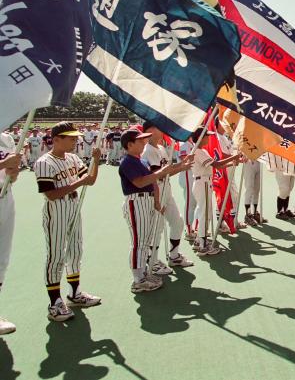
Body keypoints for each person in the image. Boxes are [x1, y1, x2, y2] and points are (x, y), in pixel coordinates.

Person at [34, 122, 102, 322]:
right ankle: (54, 302)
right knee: (56, 255)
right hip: (56, 211)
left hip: (73, 208)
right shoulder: (43, 162)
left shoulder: (72, 158)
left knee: (75, 251)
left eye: (75, 137)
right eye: (70, 137)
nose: (75, 140)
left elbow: (90, 180)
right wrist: (80, 182)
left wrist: (96, 161)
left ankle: (74, 293)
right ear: (56, 139)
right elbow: (51, 194)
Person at [118, 128, 193, 293]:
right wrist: (162, 172)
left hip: (148, 200)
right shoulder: (127, 161)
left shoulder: (140, 161)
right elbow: (139, 182)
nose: (143, 142)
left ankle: (144, 274)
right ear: (130, 145)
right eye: (139, 140)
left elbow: (152, 182)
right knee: (139, 242)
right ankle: (138, 279)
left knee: (144, 240)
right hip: (136, 201)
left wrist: (157, 200)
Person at [140, 122, 194, 275]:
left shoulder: (161, 148)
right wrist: (180, 167)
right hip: (155, 192)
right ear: (150, 131)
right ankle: (153, 261)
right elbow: (158, 174)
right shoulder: (148, 151)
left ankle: (174, 255)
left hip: (166, 190)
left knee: (177, 221)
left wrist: (182, 165)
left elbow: (167, 172)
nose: (163, 130)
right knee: (157, 228)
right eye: (158, 127)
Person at [190, 126, 240, 255]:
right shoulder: (198, 151)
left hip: (204, 181)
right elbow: (216, 165)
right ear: (200, 138)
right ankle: (202, 245)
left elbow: (216, 165)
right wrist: (234, 158)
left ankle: (198, 241)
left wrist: (232, 162)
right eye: (206, 135)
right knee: (205, 214)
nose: (209, 137)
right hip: (203, 182)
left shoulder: (201, 150)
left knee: (205, 212)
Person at [0, 132, 22, 334]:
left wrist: (13, 172)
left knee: (1, 258)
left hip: (5, 197)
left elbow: (11, 175)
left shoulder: (6, 138)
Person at [178, 138, 197, 239]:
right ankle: (189, 230)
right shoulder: (184, 143)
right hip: (187, 176)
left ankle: (192, 227)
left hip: (193, 176)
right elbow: (184, 159)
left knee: (193, 203)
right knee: (190, 203)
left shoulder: (191, 142)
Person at [243, 157, 265, 225]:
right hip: (249, 162)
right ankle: (248, 215)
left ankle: (255, 213)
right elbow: (240, 147)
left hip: (259, 161)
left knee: (257, 189)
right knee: (249, 188)